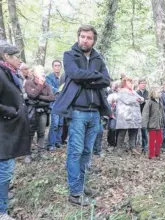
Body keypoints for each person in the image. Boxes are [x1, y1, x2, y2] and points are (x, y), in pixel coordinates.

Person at [52, 24, 111, 205]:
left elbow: (106, 80)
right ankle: (75, 193)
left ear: (94, 40)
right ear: (78, 37)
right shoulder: (70, 55)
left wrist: (87, 79)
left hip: (95, 113)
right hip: (77, 111)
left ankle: (82, 184)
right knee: (75, 151)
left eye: (89, 37)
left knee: (87, 151)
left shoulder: (98, 57)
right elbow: (74, 74)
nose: (85, 40)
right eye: (83, 36)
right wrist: (95, 76)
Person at [0, 43, 30, 220]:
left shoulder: (10, 73)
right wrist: (11, 112)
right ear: (6, 56)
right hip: (3, 130)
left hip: (10, 129)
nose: (19, 58)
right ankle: (2, 211)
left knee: (6, 168)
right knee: (4, 170)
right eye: (16, 55)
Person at [25, 65, 55, 161]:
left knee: (41, 133)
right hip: (32, 111)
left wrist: (38, 98)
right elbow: (32, 95)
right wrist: (40, 86)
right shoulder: (29, 83)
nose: (42, 72)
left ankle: (40, 152)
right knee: (30, 133)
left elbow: (52, 97)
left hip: (43, 112)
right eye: (39, 70)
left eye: (42, 70)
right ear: (34, 73)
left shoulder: (47, 85)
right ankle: (27, 154)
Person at [115, 77, 144, 155]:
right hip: (125, 115)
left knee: (133, 132)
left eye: (131, 83)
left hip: (134, 115)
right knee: (122, 132)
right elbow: (127, 100)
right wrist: (136, 100)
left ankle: (132, 147)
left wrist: (139, 99)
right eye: (129, 82)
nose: (131, 84)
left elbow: (142, 99)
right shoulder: (121, 91)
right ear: (124, 83)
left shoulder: (133, 92)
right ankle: (119, 148)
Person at [142, 84, 165, 159]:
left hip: (159, 125)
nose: (160, 93)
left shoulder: (160, 102)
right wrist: (144, 124)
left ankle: (157, 153)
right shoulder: (149, 102)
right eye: (159, 92)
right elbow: (145, 113)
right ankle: (151, 155)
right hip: (152, 125)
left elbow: (162, 113)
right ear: (154, 92)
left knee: (159, 140)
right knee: (152, 140)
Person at [46, 60, 63, 152]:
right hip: (54, 103)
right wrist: (60, 91)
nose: (57, 67)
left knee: (60, 124)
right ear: (53, 67)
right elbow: (50, 88)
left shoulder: (62, 77)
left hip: (62, 103)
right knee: (55, 124)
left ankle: (57, 141)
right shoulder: (49, 77)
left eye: (59, 65)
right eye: (55, 65)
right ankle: (51, 144)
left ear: (61, 67)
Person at [136, 79, 149, 153]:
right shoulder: (136, 93)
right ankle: (134, 146)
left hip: (145, 114)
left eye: (145, 83)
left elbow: (150, 102)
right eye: (142, 83)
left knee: (144, 131)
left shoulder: (148, 93)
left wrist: (144, 100)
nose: (143, 85)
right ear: (139, 84)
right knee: (135, 131)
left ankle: (145, 147)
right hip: (137, 114)